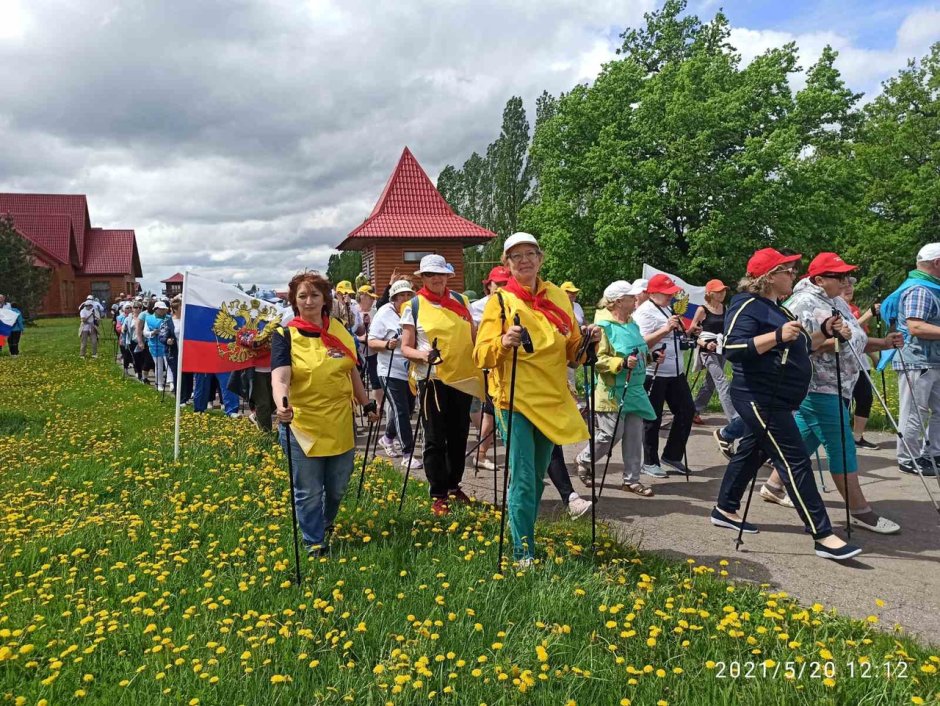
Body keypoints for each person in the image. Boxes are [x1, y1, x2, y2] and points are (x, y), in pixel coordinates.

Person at [713, 247, 862, 561]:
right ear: (769, 277)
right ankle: (823, 534)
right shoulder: (747, 304)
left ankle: (724, 508)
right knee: (795, 461)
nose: (795, 274)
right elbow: (733, 347)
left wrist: (822, 332)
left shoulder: (778, 308)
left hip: (778, 396)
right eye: (788, 270)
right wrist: (777, 336)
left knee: (753, 451)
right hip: (759, 397)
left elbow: (802, 345)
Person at [473, 232, 599, 564]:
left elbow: (574, 352)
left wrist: (589, 341)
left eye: (531, 254)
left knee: (538, 475)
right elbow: (482, 357)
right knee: (524, 476)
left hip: (551, 397)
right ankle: (522, 551)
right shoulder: (499, 302)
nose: (525, 260)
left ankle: (525, 532)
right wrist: (504, 341)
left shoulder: (558, 296)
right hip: (513, 400)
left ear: (541, 259)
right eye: (516, 256)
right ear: (507, 264)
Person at [783, 252, 903, 534]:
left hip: (840, 385)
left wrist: (883, 343)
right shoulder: (802, 304)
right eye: (839, 276)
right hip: (817, 386)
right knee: (843, 446)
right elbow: (797, 347)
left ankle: (773, 484)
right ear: (820, 279)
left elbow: (854, 341)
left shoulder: (836, 301)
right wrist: (829, 339)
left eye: (846, 275)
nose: (846, 280)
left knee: (806, 439)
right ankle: (861, 510)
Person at [272, 272, 377, 557]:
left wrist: (366, 402)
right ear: (294, 300)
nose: (308, 301)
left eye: (314, 295)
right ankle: (314, 542)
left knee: (337, 486)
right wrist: (281, 404)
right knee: (307, 491)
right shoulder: (284, 335)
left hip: (340, 420)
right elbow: (280, 377)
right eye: (302, 296)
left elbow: (351, 369)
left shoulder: (340, 331)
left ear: (325, 299)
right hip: (302, 423)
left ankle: (325, 522)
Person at [401, 255, 482, 515]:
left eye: (441, 274)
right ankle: (438, 493)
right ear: (422, 278)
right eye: (431, 275)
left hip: (463, 379)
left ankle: (453, 485)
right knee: (436, 439)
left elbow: (473, 336)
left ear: (448, 276)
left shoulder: (461, 301)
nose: (437, 279)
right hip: (432, 380)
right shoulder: (413, 306)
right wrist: (423, 356)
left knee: (459, 436)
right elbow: (405, 347)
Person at [575, 280, 657, 497]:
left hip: (635, 389)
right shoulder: (603, 328)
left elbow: (638, 351)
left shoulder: (632, 324)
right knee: (611, 435)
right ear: (619, 302)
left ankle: (631, 480)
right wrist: (619, 363)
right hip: (612, 391)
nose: (636, 300)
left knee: (634, 435)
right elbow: (597, 361)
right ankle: (584, 459)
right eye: (632, 297)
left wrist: (651, 357)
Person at [879, 243, 940, 477]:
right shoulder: (920, 290)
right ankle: (908, 457)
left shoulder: (932, 288)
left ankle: (934, 453)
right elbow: (915, 326)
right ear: (937, 263)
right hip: (917, 361)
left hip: (931, 360)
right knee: (915, 411)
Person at [632, 274, 693, 478]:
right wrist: (665, 329)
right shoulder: (644, 313)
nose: (671, 296)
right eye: (667, 293)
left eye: (671, 293)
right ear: (653, 293)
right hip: (653, 372)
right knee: (653, 418)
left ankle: (672, 455)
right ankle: (650, 462)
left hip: (675, 371)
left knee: (686, 411)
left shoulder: (667, 308)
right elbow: (640, 345)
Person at [689, 279, 747, 457]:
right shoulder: (702, 309)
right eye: (718, 291)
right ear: (710, 293)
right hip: (707, 350)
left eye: (723, 291)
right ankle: (734, 418)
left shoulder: (726, 308)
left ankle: (694, 409)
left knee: (711, 383)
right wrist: (703, 340)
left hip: (721, 347)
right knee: (722, 381)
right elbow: (691, 329)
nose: (722, 294)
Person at [368, 279, 420, 468]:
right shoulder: (384, 313)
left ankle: (388, 438)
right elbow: (371, 341)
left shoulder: (415, 309)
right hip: (389, 369)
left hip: (412, 370)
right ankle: (408, 454)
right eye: (401, 296)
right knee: (401, 410)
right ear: (394, 298)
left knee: (408, 408)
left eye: (408, 295)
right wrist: (386, 344)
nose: (405, 298)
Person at [469, 265, 512, 472]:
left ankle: (482, 453)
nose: (503, 287)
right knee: (492, 412)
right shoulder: (478, 307)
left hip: (511, 368)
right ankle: (483, 453)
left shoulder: (516, 302)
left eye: (506, 283)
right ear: (489, 286)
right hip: (487, 368)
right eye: (499, 284)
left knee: (490, 413)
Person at [841, 277, 879, 449]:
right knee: (844, 401)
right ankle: (842, 437)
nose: (849, 288)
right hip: (844, 363)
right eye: (845, 284)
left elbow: (861, 338)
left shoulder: (854, 308)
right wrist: (869, 314)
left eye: (851, 285)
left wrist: (875, 357)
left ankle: (857, 437)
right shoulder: (836, 309)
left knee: (865, 397)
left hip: (861, 362)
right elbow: (850, 330)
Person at [143, 301, 174, 393]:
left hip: (166, 345)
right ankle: (159, 384)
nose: (162, 311)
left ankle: (171, 383)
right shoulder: (148, 319)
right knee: (158, 366)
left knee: (169, 364)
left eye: (164, 309)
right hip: (154, 345)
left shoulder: (169, 318)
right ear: (155, 309)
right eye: (160, 309)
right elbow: (145, 332)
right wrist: (153, 333)